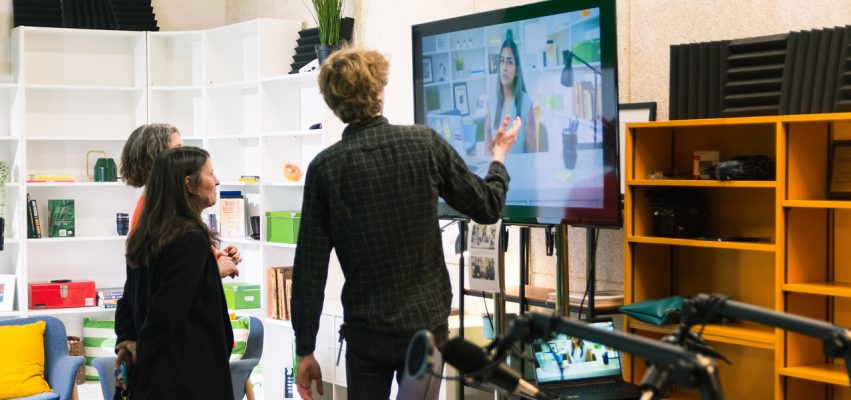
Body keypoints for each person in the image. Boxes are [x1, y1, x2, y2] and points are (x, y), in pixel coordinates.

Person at [291, 47, 520, 400]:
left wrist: (304, 347)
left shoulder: (325, 168)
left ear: (335, 105)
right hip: (425, 329)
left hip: (367, 335)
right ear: (379, 92)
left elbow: (309, 268)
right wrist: (499, 157)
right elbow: (488, 206)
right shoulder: (423, 143)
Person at [113, 146, 234, 399]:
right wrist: (140, 348)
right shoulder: (189, 239)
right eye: (210, 174)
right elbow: (167, 310)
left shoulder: (144, 236)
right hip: (186, 377)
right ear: (189, 184)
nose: (217, 181)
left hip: (151, 377)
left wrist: (126, 343)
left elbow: (127, 300)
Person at [118, 123, 241, 278]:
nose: (185, 155)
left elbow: (185, 262)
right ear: (160, 159)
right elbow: (166, 279)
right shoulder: (151, 211)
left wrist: (216, 257)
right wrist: (214, 270)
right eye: (178, 149)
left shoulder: (171, 206)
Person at [484, 28, 541, 154]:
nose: (504, 67)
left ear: (516, 70)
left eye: (509, 62)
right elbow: (487, 150)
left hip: (520, 173)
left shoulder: (526, 103)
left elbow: (532, 154)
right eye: (502, 61)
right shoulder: (491, 103)